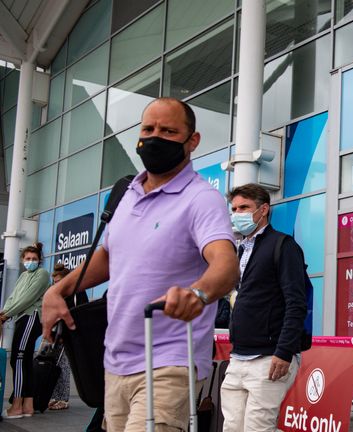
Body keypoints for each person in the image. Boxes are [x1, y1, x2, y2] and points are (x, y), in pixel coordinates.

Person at [41, 97, 239, 431]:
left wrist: (199, 293)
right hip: (115, 360)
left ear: (193, 141)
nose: (155, 137)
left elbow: (226, 263)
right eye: (148, 129)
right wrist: (57, 290)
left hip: (168, 361)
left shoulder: (201, 198)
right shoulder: (125, 193)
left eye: (168, 130)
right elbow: (107, 256)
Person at [221, 183, 307, 431]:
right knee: (232, 428)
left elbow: (296, 303)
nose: (238, 213)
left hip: (269, 357)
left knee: (258, 428)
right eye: (235, 208)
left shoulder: (284, 246)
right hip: (238, 357)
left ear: (264, 209)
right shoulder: (239, 250)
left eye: (244, 207)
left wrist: (284, 351)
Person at [0, 243, 50, 419]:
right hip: (22, 318)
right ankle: (28, 405)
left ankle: (17, 406)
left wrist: (6, 315)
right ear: (23, 260)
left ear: (39, 260)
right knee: (25, 361)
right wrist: (4, 312)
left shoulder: (42, 274)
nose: (31, 261)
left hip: (31, 316)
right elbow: (14, 296)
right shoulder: (23, 276)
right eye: (28, 259)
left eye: (34, 259)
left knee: (18, 360)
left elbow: (28, 298)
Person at [47, 263, 88, 411]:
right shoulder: (57, 295)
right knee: (56, 365)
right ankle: (55, 396)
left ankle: (63, 399)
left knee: (64, 365)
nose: (56, 285)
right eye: (54, 282)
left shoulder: (76, 292)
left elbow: (82, 311)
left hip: (71, 332)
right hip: (58, 332)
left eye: (59, 282)